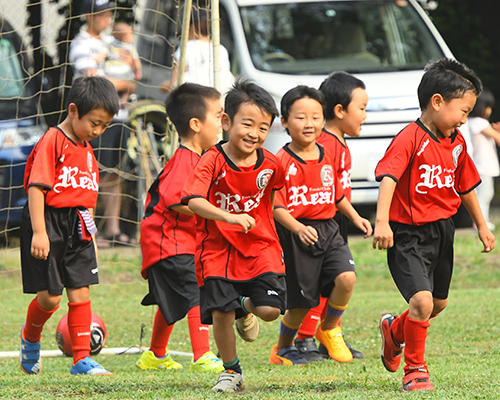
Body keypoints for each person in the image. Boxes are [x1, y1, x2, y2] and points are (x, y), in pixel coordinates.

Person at [373, 58, 495, 391]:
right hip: (408, 234)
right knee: (422, 302)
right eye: (463, 110)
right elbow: (388, 177)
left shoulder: (456, 142)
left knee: (436, 304)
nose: (464, 118)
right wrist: (382, 221)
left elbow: (467, 185)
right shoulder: (411, 138)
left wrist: (482, 225)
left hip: (442, 231)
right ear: (437, 102)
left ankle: (394, 331)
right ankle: (415, 370)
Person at [181, 79, 286, 392]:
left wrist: (295, 226)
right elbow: (194, 200)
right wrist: (227, 216)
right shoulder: (212, 160)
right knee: (220, 313)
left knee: (269, 311)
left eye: (263, 127)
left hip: (261, 249)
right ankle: (231, 371)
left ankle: (243, 307)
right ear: (227, 122)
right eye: (248, 124)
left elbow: (276, 200)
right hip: (217, 250)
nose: (254, 133)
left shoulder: (271, 165)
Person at [19, 76, 119, 376]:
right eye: (95, 123)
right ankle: (30, 335)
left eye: (104, 126)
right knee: (50, 297)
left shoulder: (87, 150)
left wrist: (91, 238)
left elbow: (86, 200)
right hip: (47, 219)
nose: (98, 131)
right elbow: (36, 188)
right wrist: (39, 231)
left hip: (78, 225)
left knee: (81, 293)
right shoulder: (53, 139)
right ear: (73, 111)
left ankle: (81, 360)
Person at [269, 85, 372, 366]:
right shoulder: (281, 161)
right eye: (301, 117)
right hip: (298, 234)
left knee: (347, 278)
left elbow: (336, 194)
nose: (309, 123)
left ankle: (329, 328)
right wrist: (298, 228)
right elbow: (276, 207)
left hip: (329, 230)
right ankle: (282, 348)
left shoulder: (326, 154)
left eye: (316, 117)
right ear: (285, 121)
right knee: (302, 302)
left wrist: (355, 217)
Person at [135, 83, 224, 373]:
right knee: (198, 291)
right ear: (196, 124)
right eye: (219, 116)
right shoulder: (185, 161)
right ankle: (202, 355)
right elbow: (175, 201)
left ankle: (155, 355)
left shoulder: (199, 159)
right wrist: (215, 215)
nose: (223, 123)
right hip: (168, 242)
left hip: (175, 242)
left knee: (170, 299)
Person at [294, 71, 368, 362]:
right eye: (361, 108)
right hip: (320, 222)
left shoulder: (337, 142)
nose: (365, 115)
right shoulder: (326, 144)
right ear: (339, 111)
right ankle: (303, 339)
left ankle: (326, 334)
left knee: (334, 280)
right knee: (321, 282)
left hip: (335, 219)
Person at [69, 0, 137, 247]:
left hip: (118, 118)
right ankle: (89, 232)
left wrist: (126, 81)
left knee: (113, 174)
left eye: (109, 12)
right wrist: (124, 84)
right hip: (94, 120)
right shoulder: (80, 44)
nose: (107, 18)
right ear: (88, 16)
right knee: (90, 175)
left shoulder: (110, 42)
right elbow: (94, 82)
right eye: (102, 14)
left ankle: (113, 230)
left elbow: (130, 70)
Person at [160, 8, 234, 96]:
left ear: (191, 28)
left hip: (194, 99)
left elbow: (175, 82)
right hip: (217, 98)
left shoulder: (187, 47)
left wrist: (164, 86)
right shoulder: (221, 49)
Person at [469, 89, 500, 231]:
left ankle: (482, 221)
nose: (489, 111)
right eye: (488, 107)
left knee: (484, 194)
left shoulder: (473, 122)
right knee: (484, 194)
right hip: (482, 166)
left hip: (480, 165)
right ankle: (480, 223)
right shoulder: (479, 122)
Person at [106, 21, 142, 104]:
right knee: (130, 85)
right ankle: (124, 99)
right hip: (124, 73)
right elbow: (136, 60)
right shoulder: (129, 47)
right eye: (131, 35)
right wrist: (138, 71)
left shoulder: (111, 44)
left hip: (111, 72)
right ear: (125, 38)